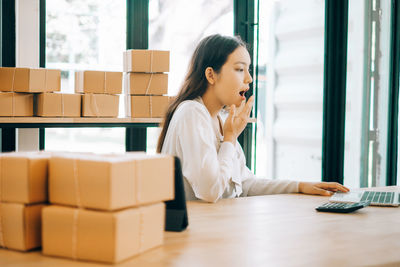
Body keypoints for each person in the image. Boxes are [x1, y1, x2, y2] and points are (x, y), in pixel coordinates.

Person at [157, 34, 349, 203]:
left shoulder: (220, 120)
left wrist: (300, 186)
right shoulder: (192, 112)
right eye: (240, 69)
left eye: (248, 69)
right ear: (211, 75)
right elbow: (210, 190)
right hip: (195, 237)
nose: (249, 78)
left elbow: (246, 184)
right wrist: (230, 139)